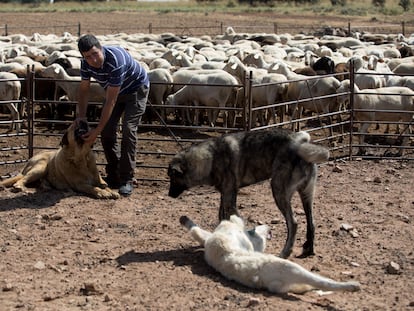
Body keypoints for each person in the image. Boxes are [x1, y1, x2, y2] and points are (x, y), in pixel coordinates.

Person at [76, 34, 149, 196]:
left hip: (136, 89)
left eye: (95, 54)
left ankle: (127, 179)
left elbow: (111, 101)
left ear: (101, 48)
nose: (93, 60)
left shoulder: (115, 61)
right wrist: (81, 116)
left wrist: (95, 132)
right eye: (88, 57)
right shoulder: (85, 65)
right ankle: (114, 174)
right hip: (114, 91)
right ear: (83, 57)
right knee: (108, 131)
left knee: (129, 130)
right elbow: (84, 89)